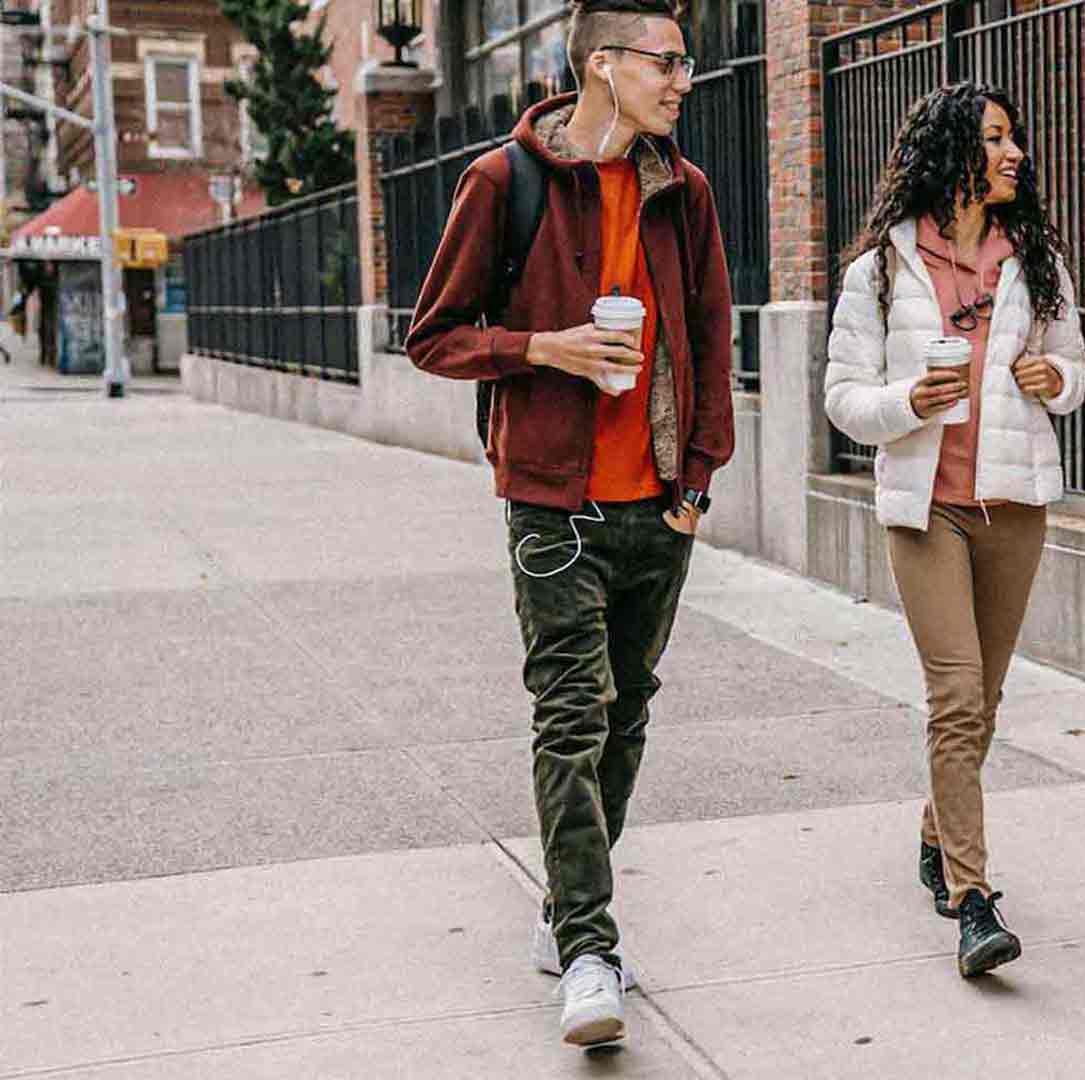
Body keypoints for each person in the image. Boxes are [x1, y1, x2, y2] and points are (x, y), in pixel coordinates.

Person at [406, 0, 733, 1047]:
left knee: (627, 709)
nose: (683, 79)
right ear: (601, 64)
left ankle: (566, 903)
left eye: (686, 63)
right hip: (554, 501)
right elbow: (433, 336)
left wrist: (698, 482)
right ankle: (590, 947)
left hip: (658, 503)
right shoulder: (505, 183)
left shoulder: (684, 191)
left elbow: (714, 342)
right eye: (666, 60)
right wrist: (545, 349)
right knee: (570, 714)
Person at [824, 82, 1085, 978]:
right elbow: (843, 398)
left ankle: (938, 831)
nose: (1015, 153)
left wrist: (1057, 381)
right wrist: (909, 401)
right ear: (951, 155)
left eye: (1016, 138)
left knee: (987, 697)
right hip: (924, 505)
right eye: (996, 139)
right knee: (957, 696)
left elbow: (1075, 363)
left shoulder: (1035, 259)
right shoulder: (882, 272)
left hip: (1013, 503)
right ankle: (973, 902)